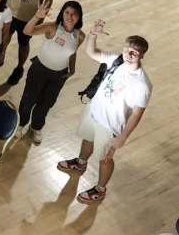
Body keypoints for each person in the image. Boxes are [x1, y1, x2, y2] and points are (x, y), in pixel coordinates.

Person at [57, 20, 151, 205]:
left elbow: (137, 114)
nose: (129, 54)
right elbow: (91, 52)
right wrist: (93, 33)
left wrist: (124, 135)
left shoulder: (142, 85)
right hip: (93, 112)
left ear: (142, 55)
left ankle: (100, 189)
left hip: (110, 127)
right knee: (87, 139)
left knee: (105, 160)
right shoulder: (116, 60)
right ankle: (80, 163)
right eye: (127, 50)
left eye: (134, 52)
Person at [16, 0, 85, 145]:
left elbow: (72, 52)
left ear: (79, 17)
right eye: (67, 12)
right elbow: (27, 31)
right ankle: (20, 124)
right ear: (62, 13)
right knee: (29, 99)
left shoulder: (80, 36)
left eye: (74, 13)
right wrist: (37, 16)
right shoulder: (52, 27)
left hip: (59, 75)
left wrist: (72, 69)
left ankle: (36, 127)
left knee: (46, 103)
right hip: (39, 69)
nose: (70, 16)